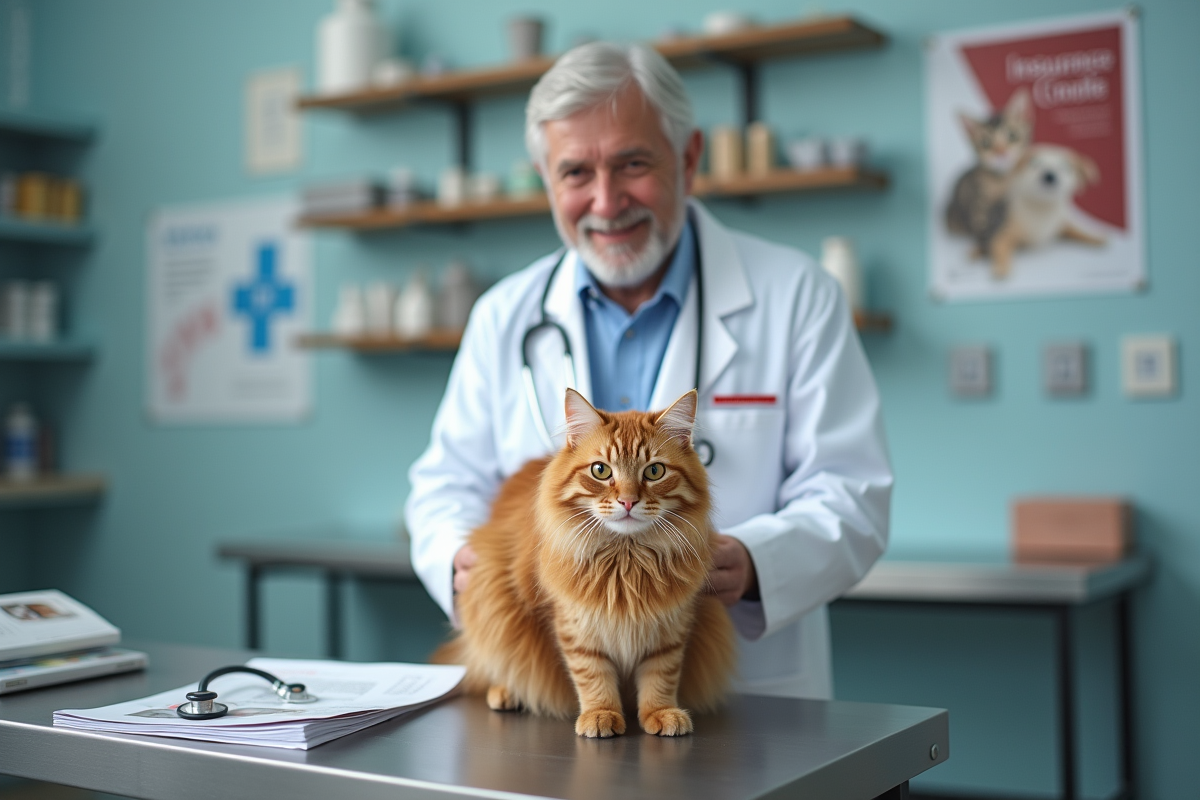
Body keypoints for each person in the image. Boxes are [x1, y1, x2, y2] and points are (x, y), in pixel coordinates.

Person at [406, 41, 892, 699]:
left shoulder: (797, 294)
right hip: (556, 686)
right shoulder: (504, 314)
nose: (606, 202)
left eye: (632, 164)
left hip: (750, 697)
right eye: (576, 173)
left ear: (688, 158)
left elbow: (853, 492)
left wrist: (755, 561)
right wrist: (462, 563)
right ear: (546, 178)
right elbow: (446, 484)